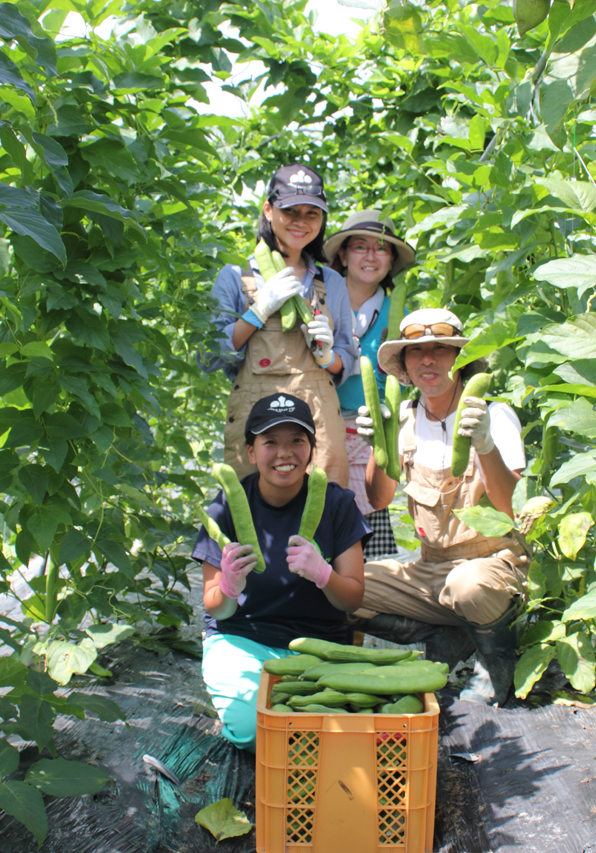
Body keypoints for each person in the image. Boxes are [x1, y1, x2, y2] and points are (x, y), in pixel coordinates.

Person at [353, 309, 529, 705]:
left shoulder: (493, 415)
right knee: (344, 587)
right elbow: (378, 499)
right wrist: (377, 446)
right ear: (403, 365)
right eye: (416, 352)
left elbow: (512, 509)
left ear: (460, 360)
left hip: (493, 565)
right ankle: (447, 635)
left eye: (440, 350)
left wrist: (485, 445)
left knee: (468, 586)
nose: (427, 360)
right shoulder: (404, 417)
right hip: (430, 568)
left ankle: (496, 661)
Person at [193, 393, 370, 750]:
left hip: (320, 646)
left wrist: (324, 574)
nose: (284, 453)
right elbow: (216, 608)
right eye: (270, 441)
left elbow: (352, 598)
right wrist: (228, 586)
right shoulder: (225, 505)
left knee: (331, 735)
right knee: (253, 732)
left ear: (311, 448)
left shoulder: (337, 504)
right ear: (251, 452)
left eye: (297, 440)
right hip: (242, 640)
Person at [207, 163, 356, 487]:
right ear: (268, 210)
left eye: (311, 213)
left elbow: (347, 354)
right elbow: (211, 353)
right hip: (255, 418)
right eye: (290, 211)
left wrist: (328, 357)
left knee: (323, 512)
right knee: (252, 517)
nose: (301, 222)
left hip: (319, 420)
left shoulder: (330, 281)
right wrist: (256, 313)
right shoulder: (234, 277)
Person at [323, 210, 417, 561]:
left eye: (381, 249)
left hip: (370, 430)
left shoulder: (399, 313)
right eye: (359, 247)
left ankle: (364, 599)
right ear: (343, 256)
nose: (370, 256)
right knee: (316, 510)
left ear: (391, 260)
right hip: (321, 424)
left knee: (366, 518)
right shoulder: (319, 301)